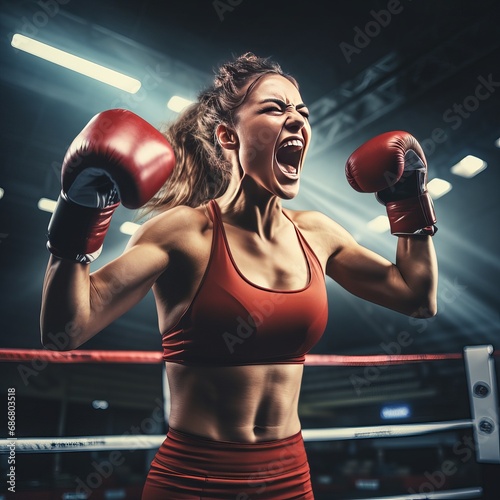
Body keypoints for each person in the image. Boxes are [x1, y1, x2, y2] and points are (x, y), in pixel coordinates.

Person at [40, 53, 438, 499]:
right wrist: (81, 208)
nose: (296, 120)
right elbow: (66, 329)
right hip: (193, 481)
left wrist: (408, 197)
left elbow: (416, 297)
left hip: (290, 479)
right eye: (275, 108)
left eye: (302, 112)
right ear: (228, 135)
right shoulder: (184, 233)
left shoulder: (317, 233)